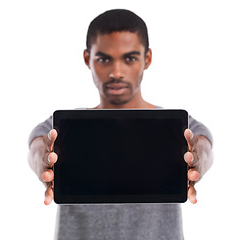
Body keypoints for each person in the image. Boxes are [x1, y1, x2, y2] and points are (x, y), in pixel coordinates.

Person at [28, 9, 213, 240]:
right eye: (104, 59)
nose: (116, 72)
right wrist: (41, 162)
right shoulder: (65, 127)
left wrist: (199, 161)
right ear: (87, 59)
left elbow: (203, 145)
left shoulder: (176, 127)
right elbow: (37, 146)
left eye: (130, 58)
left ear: (147, 59)